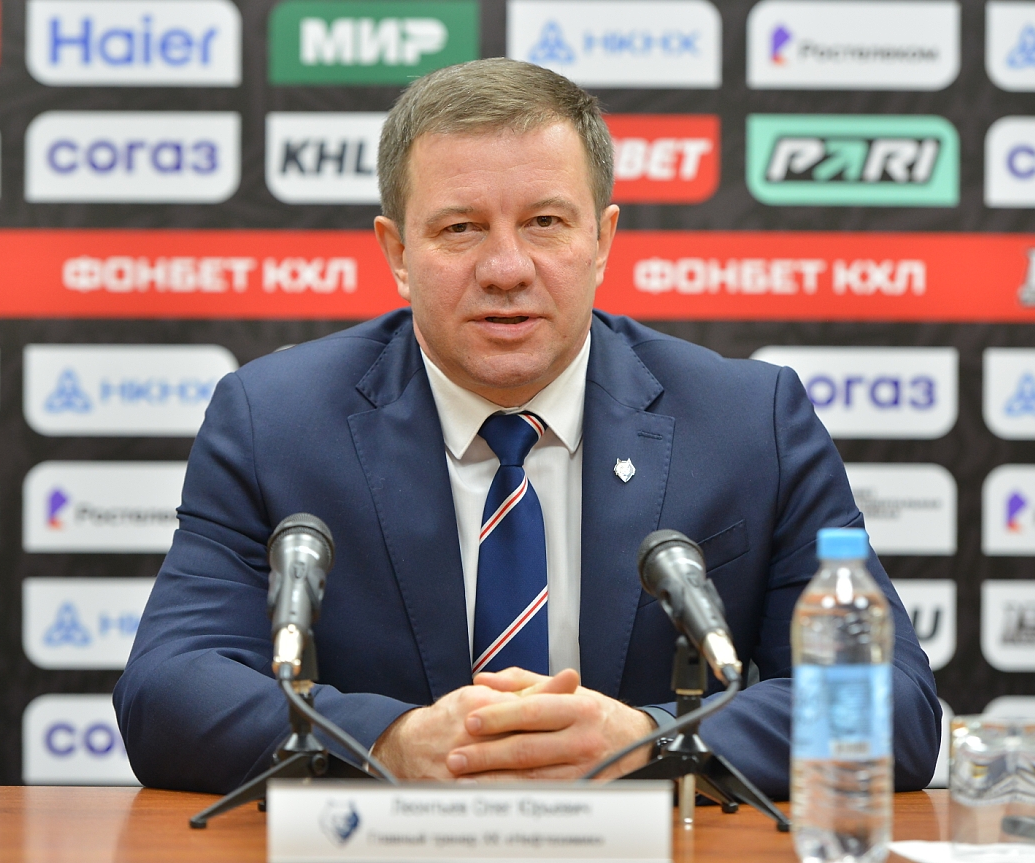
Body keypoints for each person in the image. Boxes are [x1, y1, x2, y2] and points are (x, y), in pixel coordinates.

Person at [114, 58, 941, 797]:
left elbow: (894, 706)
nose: (506, 268)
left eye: (545, 222)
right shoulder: (275, 421)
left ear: (602, 239)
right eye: (460, 228)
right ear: (397, 252)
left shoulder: (748, 423)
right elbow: (167, 689)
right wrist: (388, 742)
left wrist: (651, 740)